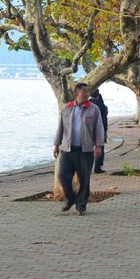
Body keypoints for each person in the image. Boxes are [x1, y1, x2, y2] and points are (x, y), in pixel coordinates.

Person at [53, 83, 104, 216]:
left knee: (84, 179)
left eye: (88, 91)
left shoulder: (93, 109)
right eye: (84, 91)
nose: (87, 93)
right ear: (77, 93)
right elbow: (60, 127)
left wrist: (98, 146)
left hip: (85, 151)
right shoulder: (67, 108)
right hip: (68, 149)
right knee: (63, 175)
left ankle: (81, 206)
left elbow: (99, 128)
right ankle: (70, 198)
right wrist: (56, 144)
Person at [90, 88, 108, 173]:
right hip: (100, 130)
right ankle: (98, 168)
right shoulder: (101, 105)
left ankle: (88, 167)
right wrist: (104, 131)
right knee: (100, 149)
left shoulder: (88, 103)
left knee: (88, 150)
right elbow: (104, 119)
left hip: (88, 130)